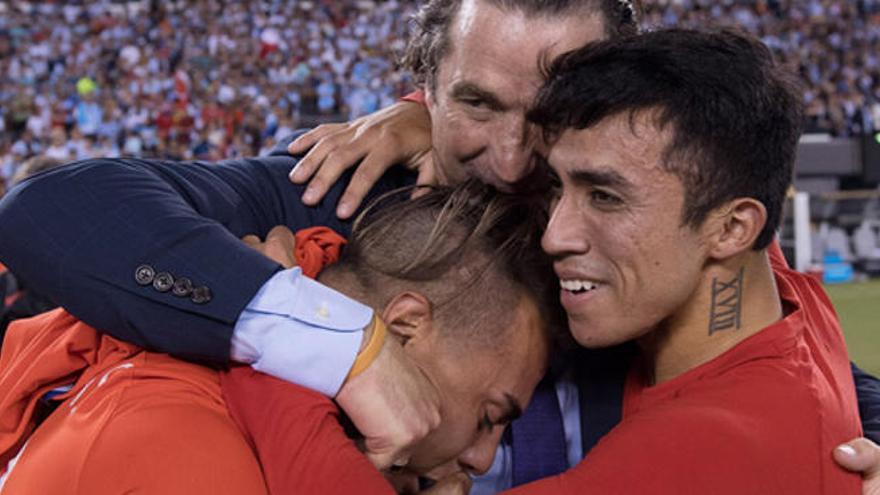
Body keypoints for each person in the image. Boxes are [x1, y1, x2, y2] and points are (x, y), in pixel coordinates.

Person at [1, 0, 879, 491]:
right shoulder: (338, 194)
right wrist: (335, 346)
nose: (507, 162)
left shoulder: (629, 259)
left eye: (543, 119)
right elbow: (56, 210)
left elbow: (788, 373)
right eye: (476, 105)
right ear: (422, 87)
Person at [0, 182, 556, 494]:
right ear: (406, 328)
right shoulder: (188, 453)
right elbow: (41, 208)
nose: (484, 460)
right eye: (490, 416)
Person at [497, 27, 860, 493]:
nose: (554, 236)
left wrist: (369, 353)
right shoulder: (788, 300)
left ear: (731, 229)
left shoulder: (700, 451)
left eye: (605, 197)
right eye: (556, 187)